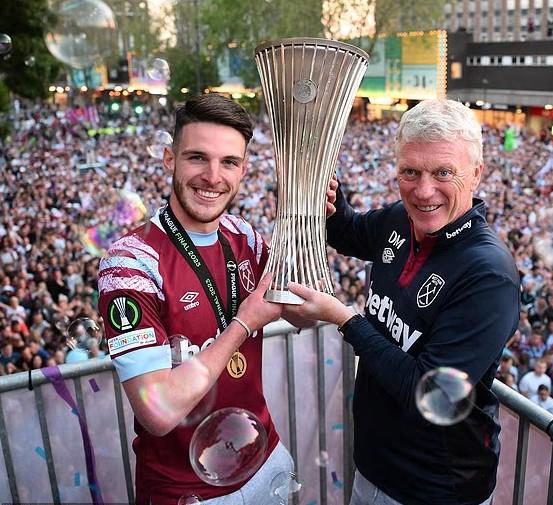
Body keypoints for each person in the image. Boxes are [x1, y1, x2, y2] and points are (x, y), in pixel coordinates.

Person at [284, 99, 520, 505]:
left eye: (443, 172)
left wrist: (344, 319)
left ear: (477, 174)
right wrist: (332, 201)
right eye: (410, 172)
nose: (424, 191)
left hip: (434, 489)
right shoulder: (401, 219)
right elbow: (350, 232)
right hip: (373, 466)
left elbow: (426, 392)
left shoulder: (488, 274)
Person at [98, 94, 305, 504]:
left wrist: (308, 220)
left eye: (229, 162)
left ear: (243, 169)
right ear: (169, 159)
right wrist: (243, 324)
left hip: (265, 458)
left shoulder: (245, 236)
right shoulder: (130, 261)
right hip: (185, 489)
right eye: (197, 158)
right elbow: (157, 414)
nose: (213, 176)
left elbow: (305, 315)